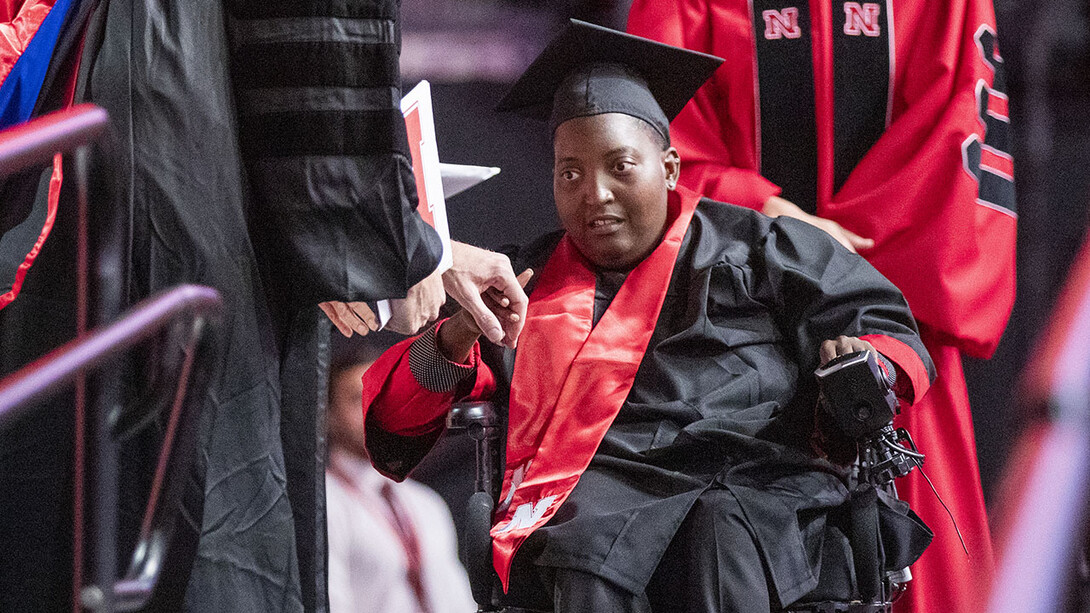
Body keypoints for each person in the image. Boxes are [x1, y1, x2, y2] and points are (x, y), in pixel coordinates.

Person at [357, 21, 935, 613]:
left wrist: (864, 364)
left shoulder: (764, 248)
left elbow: (884, 328)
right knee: (584, 555)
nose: (595, 194)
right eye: (571, 173)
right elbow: (396, 425)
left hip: (759, 482)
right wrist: (458, 334)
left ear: (671, 168)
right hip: (597, 500)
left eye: (620, 166)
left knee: (723, 533)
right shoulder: (522, 282)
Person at [626, 3, 1016, 611]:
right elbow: (657, 140)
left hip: (889, 326)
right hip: (733, 335)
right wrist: (774, 223)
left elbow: (955, 129)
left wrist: (841, 268)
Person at [325, 332, 476, 613]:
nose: (369, 410)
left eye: (378, 398)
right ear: (329, 416)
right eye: (356, 400)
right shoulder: (325, 502)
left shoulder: (425, 502)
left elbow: (456, 598)